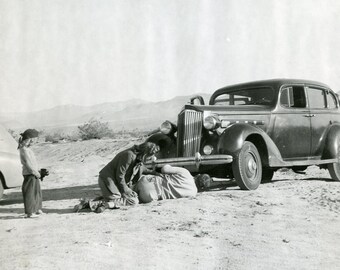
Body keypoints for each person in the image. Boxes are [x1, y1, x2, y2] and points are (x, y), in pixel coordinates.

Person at [97, 142, 159, 208]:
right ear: (145, 153)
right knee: (118, 198)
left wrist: (156, 172)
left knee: (131, 199)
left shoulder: (138, 158)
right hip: (108, 181)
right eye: (150, 155)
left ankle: (96, 204)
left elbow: (143, 169)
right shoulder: (129, 155)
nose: (151, 158)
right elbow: (120, 175)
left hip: (117, 183)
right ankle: (103, 204)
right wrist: (126, 190)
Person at [133, 165, 197, 203]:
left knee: (132, 187)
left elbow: (164, 169)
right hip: (151, 196)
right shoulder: (193, 193)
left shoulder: (186, 173)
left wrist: (168, 166)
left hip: (150, 182)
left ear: (198, 175)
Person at [18, 129, 43, 218]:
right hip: (29, 174)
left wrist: (37, 171)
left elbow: (32, 162)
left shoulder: (27, 149)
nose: (33, 141)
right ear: (27, 139)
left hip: (33, 173)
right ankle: (30, 212)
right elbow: (28, 164)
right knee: (29, 193)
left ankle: (36, 209)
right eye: (31, 139)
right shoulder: (24, 150)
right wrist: (35, 173)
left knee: (36, 192)